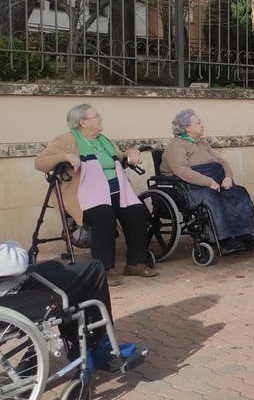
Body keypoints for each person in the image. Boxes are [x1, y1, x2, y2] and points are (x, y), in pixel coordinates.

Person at [35, 104, 157, 284]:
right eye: (96, 116)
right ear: (83, 122)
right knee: (104, 217)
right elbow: (40, 162)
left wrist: (130, 153)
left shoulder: (103, 140)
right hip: (86, 195)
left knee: (138, 212)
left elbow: (119, 156)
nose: (100, 119)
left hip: (115, 192)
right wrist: (64, 156)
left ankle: (135, 263)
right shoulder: (66, 140)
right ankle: (103, 270)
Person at [0, 240, 122, 368]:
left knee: (54, 266)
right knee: (94, 269)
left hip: (10, 289)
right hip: (11, 298)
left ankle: (78, 343)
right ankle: (94, 344)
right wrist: (12, 245)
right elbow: (16, 263)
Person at [160, 109, 254, 252]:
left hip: (216, 179)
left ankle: (245, 234)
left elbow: (222, 161)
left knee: (238, 192)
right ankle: (224, 238)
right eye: (199, 122)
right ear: (187, 127)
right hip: (191, 185)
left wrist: (228, 177)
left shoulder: (202, 143)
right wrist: (209, 182)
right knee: (213, 197)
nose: (203, 125)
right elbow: (181, 170)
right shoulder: (176, 144)